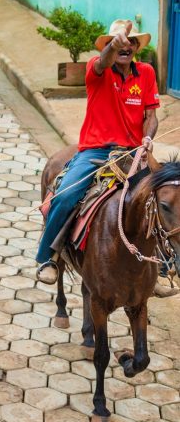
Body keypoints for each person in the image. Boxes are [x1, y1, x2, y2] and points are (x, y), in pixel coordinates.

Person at [36, 20, 158, 284]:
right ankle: (48, 256)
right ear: (108, 46)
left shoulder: (146, 73)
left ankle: (160, 263)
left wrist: (148, 137)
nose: (126, 47)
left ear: (137, 48)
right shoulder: (96, 68)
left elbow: (151, 115)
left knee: (167, 195)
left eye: (131, 43)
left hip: (134, 153)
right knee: (66, 196)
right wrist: (116, 42)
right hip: (96, 152)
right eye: (119, 44)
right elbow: (104, 61)